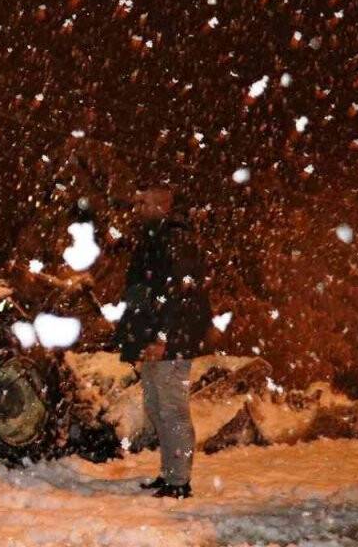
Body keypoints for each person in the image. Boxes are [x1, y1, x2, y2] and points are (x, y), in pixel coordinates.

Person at [114, 185, 212, 499]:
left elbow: (179, 295)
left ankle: (180, 482)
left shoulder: (176, 241)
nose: (137, 207)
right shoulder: (155, 238)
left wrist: (163, 338)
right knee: (156, 407)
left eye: (144, 202)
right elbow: (145, 291)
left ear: (163, 206)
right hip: (157, 338)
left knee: (173, 411)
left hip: (172, 341)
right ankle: (169, 473)